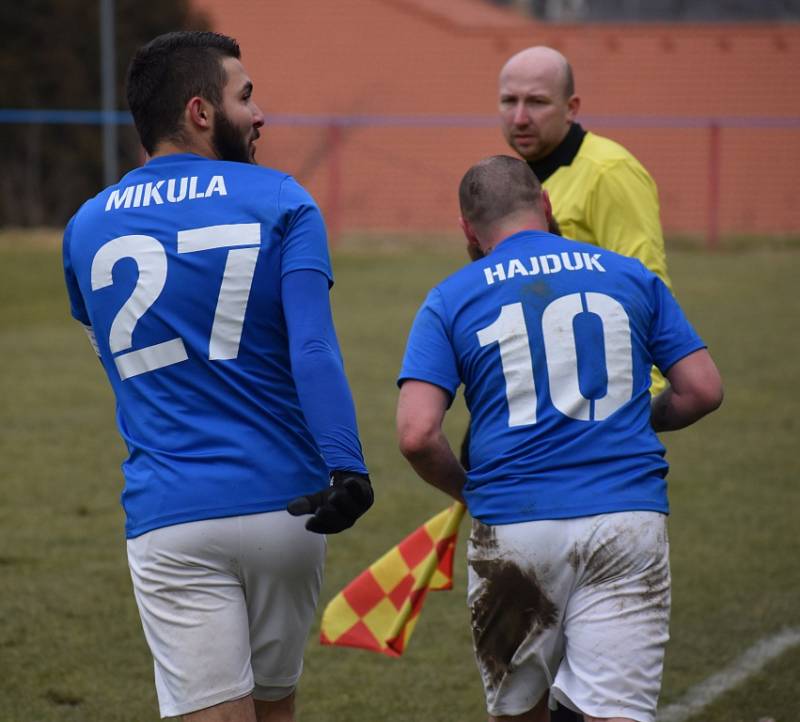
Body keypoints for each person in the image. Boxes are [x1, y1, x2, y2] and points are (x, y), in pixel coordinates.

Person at [62, 31, 374, 722]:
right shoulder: (282, 199)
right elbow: (314, 348)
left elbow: (109, 356)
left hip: (171, 511)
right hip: (286, 509)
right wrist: (347, 466)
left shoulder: (84, 226)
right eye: (246, 97)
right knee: (273, 710)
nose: (260, 115)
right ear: (200, 112)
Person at [396, 156, 722, 722]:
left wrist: (469, 492)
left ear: (467, 230)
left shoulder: (450, 297)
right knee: (614, 711)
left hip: (514, 526)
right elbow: (703, 390)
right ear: (546, 207)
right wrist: (635, 419)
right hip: (626, 519)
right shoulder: (629, 275)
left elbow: (417, 433)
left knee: (520, 710)